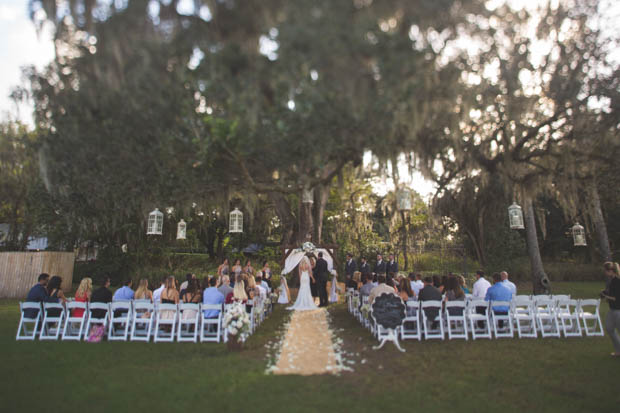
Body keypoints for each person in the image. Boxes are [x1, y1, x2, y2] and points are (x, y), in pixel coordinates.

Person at [601, 262, 620, 357]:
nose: (605, 273)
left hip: (618, 310)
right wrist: (605, 293)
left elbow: (616, 298)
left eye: (605, 271)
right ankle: (618, 350)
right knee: (609, 328)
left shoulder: (617, 281)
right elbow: (610, 292)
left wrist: (606, 297)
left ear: (610, 271)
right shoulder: (612, 281)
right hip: (612, 309)